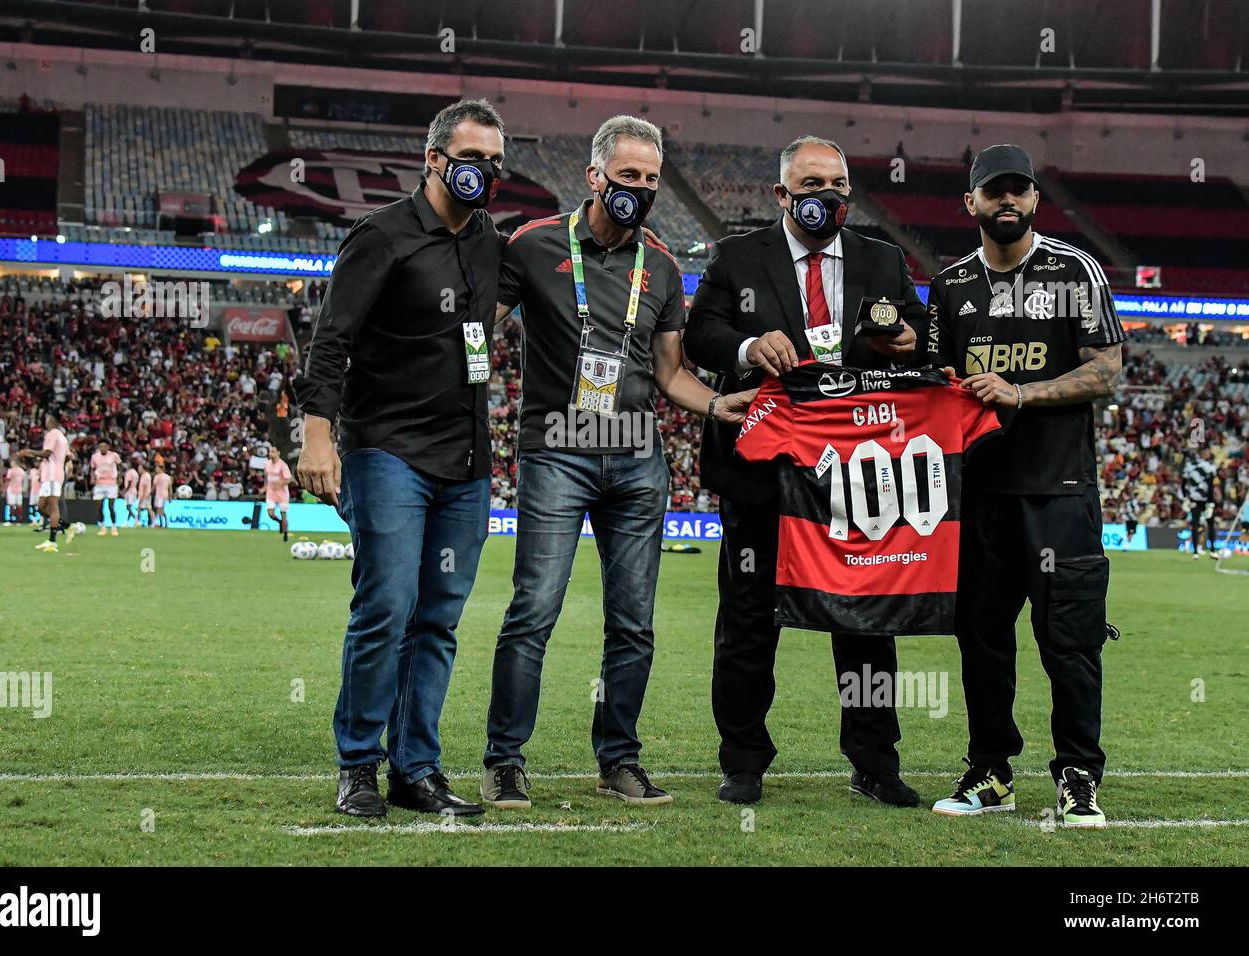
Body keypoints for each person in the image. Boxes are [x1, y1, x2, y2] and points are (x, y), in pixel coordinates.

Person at [479, 115, 756, 811]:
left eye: (651, 178)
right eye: (627, 175)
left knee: (633, 622)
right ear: (594, 176)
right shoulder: (533, 245)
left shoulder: (660, 263)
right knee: (534, 610)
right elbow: (479, 329)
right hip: (556, 453)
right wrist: (461, 381)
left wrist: (720, 405)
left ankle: (619, 759)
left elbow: (670, 372)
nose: (640, 189)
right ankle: (504, 760)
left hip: (638, 459)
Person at [682, 135, 923, 807]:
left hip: (855, 478)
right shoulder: (736, 257)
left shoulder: (883, 261)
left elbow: (920, 335)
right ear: (782, 195)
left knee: (866, 625)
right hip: (764, 469)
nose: (827, 197)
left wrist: (908, 337)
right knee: (749, 622)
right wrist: (748, 344)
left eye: (838, 185)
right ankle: (744, 761)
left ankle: (873, 760)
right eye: (811, 185)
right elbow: (700, 336)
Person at [295, 99, 506, 819]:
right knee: (386, 606)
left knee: (438, 620)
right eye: (472, 158)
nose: (485, 172)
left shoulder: (489, 242)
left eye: (496, 162)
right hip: (386, 450)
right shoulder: (379, 236)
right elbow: (331, 340)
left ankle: (415, 769)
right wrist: (317, 433)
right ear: (435, 160)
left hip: (467, 461)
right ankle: (357, 765)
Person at [926, 144, 1124, 828]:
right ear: (971, 203)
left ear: (1036, 200)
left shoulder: (1075, 272)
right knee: (982, 642)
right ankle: (990, 771)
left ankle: (1078, 775)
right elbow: (934, 388)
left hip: (1060, 491)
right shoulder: (950, 288)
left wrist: (1021, 393)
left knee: (1070, 642)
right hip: (979, 497)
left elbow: (1106, 372)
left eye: (1019, 190)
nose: (1007, 201)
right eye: (993, 191)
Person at [15, 414, 71, 553]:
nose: (45, 422)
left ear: (52, 422)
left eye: (47, 420)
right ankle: (68, 527)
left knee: (52, 506)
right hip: (53, 474)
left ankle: (52, 542)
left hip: (52, 475)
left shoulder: (53, 434)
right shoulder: (63, 437)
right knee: (41, 507)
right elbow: (69, 456)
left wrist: (28, 452)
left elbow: (47, 453)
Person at [1182, 447, 1218, 558]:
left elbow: (1183, 484)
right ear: (1204, 453)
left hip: (1193, 498)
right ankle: (1212, 550)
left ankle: (1195, 553)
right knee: (1211, 523)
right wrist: (1211, 501)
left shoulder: (1189, 466)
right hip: (1205, 499)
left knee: (1195, 523)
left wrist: (1185, 497)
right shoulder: (1209, 467)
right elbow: (1211, 484)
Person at [90, 439, 122, 536]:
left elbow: (120, 467)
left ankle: (113, 526)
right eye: (101, 447)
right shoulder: (94, 457)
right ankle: (103, 527)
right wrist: (92, 478)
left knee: (111, 506)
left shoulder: (114, 456)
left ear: (108, 447)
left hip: (111, 483)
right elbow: (92, 469)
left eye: (104, 446)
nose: (102, 448)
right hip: (99, 484)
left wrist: (120, 478)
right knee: (99, 507)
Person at [263, 445, 293, 541]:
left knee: (283, 513)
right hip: (271, 492)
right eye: (270, 451)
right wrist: (265, 487)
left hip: (282, 493)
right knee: (270, 514)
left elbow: (288, 479)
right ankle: (279, 522)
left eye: (272, 451)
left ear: (278, 453)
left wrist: (280, 485)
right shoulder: (267, 464)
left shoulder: (283, 465)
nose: (270, 454)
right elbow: (266, 477)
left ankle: (285, 534)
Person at [4, 459, 26, 524]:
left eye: (12, 462)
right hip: (14, 489)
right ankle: (15, 520)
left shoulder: (11, 471)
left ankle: (16, 520)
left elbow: (7, 480)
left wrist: (5, 488)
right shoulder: (21, 471)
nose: (11, 464)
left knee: (16, 505)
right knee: (14, 505)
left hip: (14, 490)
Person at [151, 462, 171, 528]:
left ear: (161, 469)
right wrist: (170, 496)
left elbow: (154, 486)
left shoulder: (157, 477)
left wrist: (150, 493)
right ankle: (164, 523)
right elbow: (170, 487)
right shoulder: (168, 477)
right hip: (165, 495)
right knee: (161, 509)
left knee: (159, 509)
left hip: (159, 495)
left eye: (157, 468)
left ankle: (163, 523)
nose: (156, 470)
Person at [122, 458, 140, 528]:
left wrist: (124, 491)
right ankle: (127, 523)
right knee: (130, 507)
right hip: (134, 490)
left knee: (128, 507)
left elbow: (129, 483)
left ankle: (136, 520)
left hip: (130, 491)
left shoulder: (129, 472)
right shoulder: (135, 472)